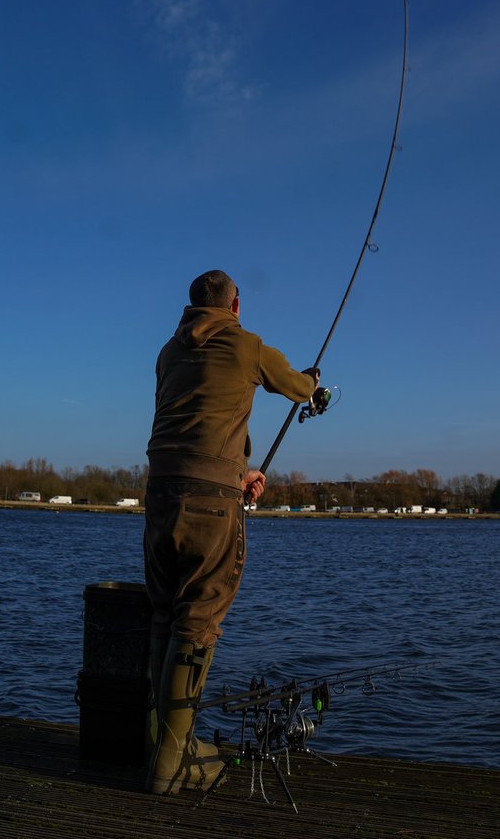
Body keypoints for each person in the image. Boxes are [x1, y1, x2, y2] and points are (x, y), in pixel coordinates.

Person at [143, 269, 319, 795]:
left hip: (159, 494)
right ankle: (170, 766)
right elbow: (299, 388)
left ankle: (157, 743)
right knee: (197, 620)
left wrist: (239, 469)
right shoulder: (247, 345)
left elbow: (200, 417)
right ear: (235, 306)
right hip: (211, 505)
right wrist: (313, 386)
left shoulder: (168, 353)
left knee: (163, 613)